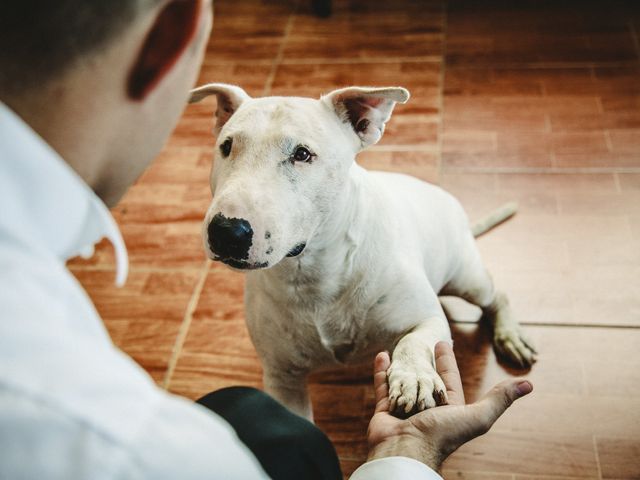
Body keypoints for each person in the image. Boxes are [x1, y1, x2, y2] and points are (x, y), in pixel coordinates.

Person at [0, 1, 532, 478]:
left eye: (300, 155)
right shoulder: (149, 449)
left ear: (365, 125)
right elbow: (283, 388)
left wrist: (415, 352)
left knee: (477, 289)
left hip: (440, 232)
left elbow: (424, 316)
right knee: (278, 384)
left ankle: (501, 305)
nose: (232, 209)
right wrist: (409, 457)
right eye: (230, 145)